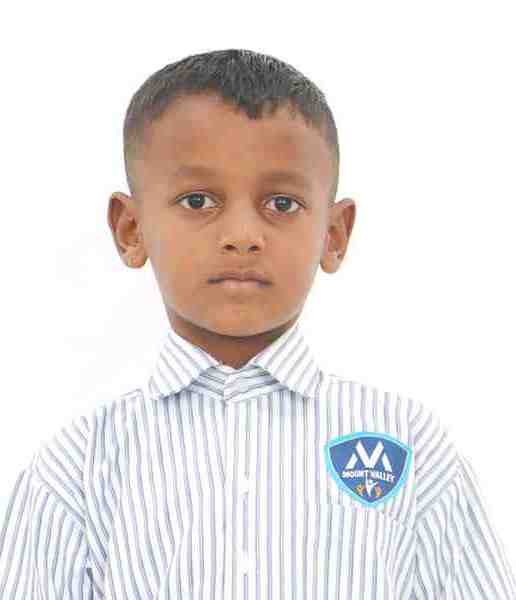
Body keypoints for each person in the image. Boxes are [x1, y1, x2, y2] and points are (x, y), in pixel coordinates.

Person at [1, 48, 514, 600]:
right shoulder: (77, 468)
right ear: (131, 229)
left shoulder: (409, 446)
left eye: (282, 204)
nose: (242, 235)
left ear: (334, 234)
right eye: (198, 200)